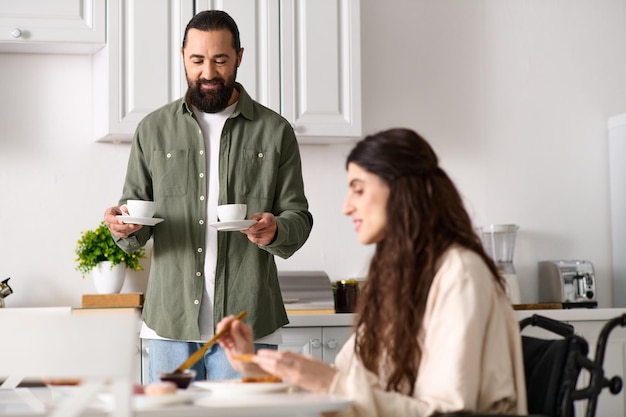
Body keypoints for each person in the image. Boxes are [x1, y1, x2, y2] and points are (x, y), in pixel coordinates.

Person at [217, 128, 527, 416]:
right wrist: (258, 368)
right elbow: (349, 380)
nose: (347, 207)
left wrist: (328, 383)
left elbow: (446, 411)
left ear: (402, 190)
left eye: (358, 190)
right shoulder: (396, 275)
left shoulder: (459, 273)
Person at [103, 10, 313, 382]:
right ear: (183, 56)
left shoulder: (275, 131)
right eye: (197, 60)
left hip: (249, 324)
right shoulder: (152, 130)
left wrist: (276, 230)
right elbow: (134, 224)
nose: (209, 73)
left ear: (239, 57)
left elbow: (298, 215)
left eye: (220, 60)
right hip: (169, 323)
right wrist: (122, 229)